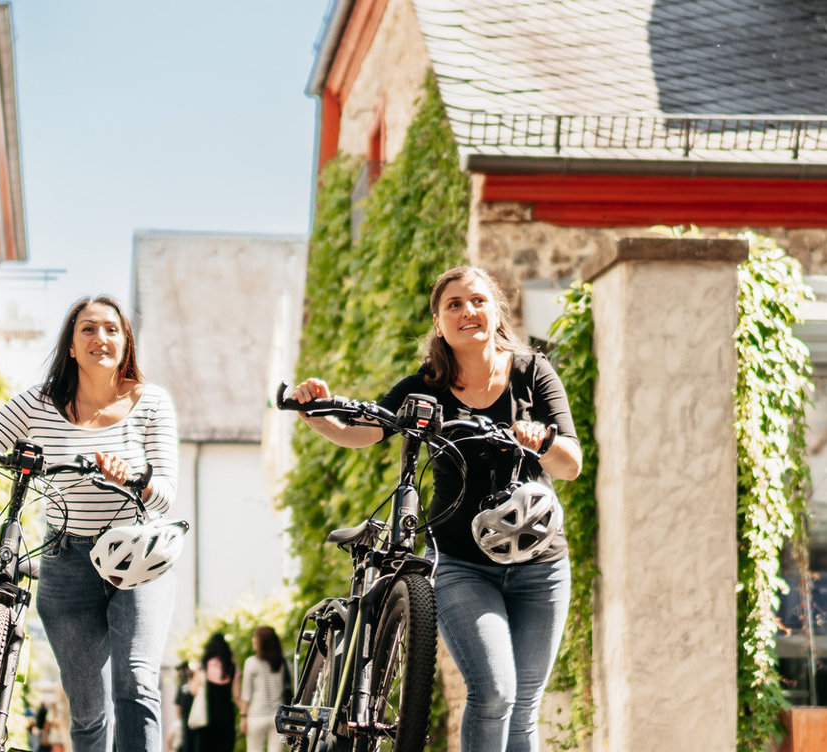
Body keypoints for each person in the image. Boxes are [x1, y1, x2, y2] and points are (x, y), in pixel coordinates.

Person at [289, 266, 582, 752]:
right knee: (494, 692)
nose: (468, 311)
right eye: (454, 304)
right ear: (438, 320)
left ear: (495, 310)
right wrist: (314, 413)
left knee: (525, 704)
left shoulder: (533, 372)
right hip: (464, 566)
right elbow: (365, 431)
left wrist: (544, 441)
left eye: (478, 301)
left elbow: (570, 463)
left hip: (542, 564)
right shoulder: (424, 387)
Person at [0, 294, 180, 752]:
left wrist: (134, 480)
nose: (101, 337)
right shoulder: (37, 403)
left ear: (126, 342)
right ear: (71, 346)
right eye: (88, 329)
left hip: (136, 558)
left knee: (135, 682)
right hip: (66, 560)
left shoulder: (151, 402)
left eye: (112, 329)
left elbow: (166, 495)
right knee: (89, 708)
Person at [235, 626, 290, 752]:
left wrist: (243, 716)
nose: (253, 640)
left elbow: (246, 693)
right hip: (278, 717)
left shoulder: (251, 662)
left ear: (262, 642)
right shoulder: (284, 664)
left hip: (256, 717)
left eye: (256, 638)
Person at [188, 633, 238, 752]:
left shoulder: (203, 667)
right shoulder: (232, 668)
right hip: (227, 718)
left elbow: (194, 691)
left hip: (207, 718)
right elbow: (236, 695)